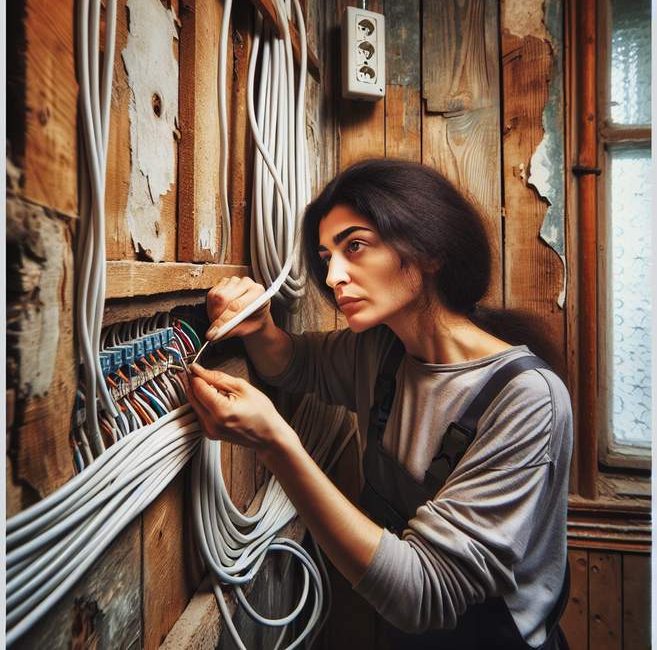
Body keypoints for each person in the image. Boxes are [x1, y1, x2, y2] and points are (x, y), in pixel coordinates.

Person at [186, 158, 573, 649]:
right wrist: (258, 325)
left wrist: (274, 443)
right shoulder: (382, 351)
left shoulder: (527, 399)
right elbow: (293, 364)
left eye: (355, 246)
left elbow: (422, 593)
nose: (333, 277)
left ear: (429, 249)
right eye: (327, 257)